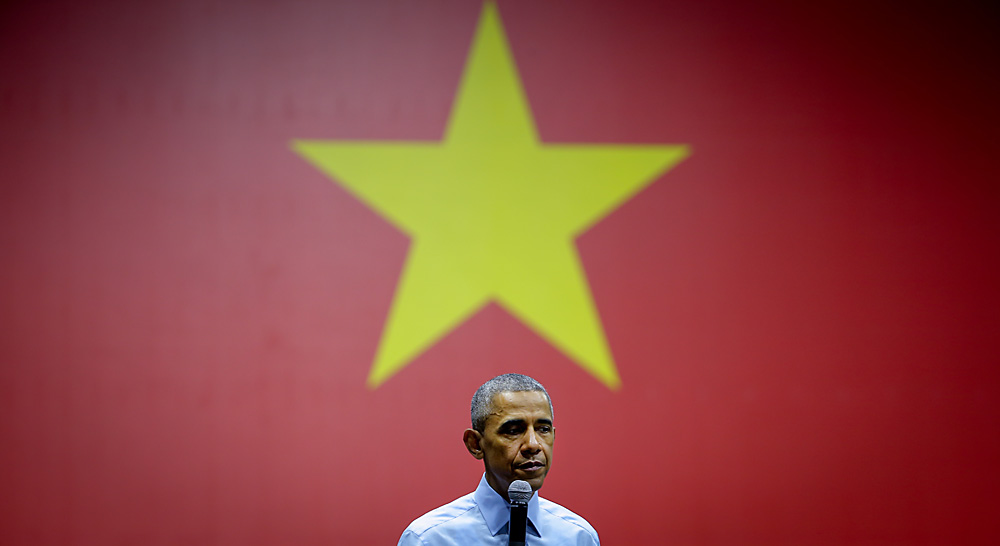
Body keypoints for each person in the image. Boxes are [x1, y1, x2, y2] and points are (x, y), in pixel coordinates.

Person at [397, 373, 600, 545]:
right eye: (513, 431)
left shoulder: (579, 537)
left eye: (543, 429)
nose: (533, 444)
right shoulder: (429, 539)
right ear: (475, 444)